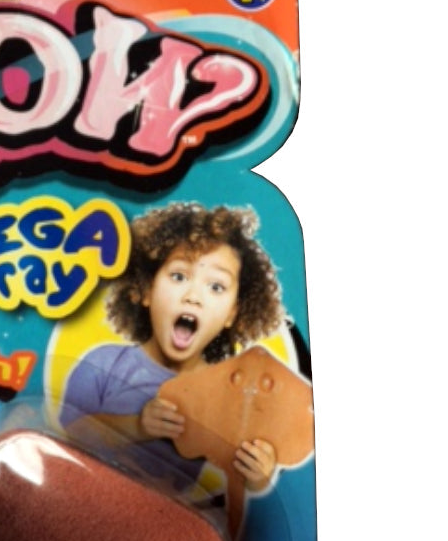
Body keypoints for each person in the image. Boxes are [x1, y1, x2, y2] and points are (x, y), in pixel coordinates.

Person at [60, 202, 284, 495]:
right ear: (146, 289)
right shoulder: (103, 363)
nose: (193, 297)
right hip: (89, 497)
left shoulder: (225, 396)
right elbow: (69, 435)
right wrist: (138, 426)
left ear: (232, 313)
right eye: (179, 276)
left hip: (165, 515)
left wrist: (260, 474)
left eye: (216, 287)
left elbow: (241, 471)